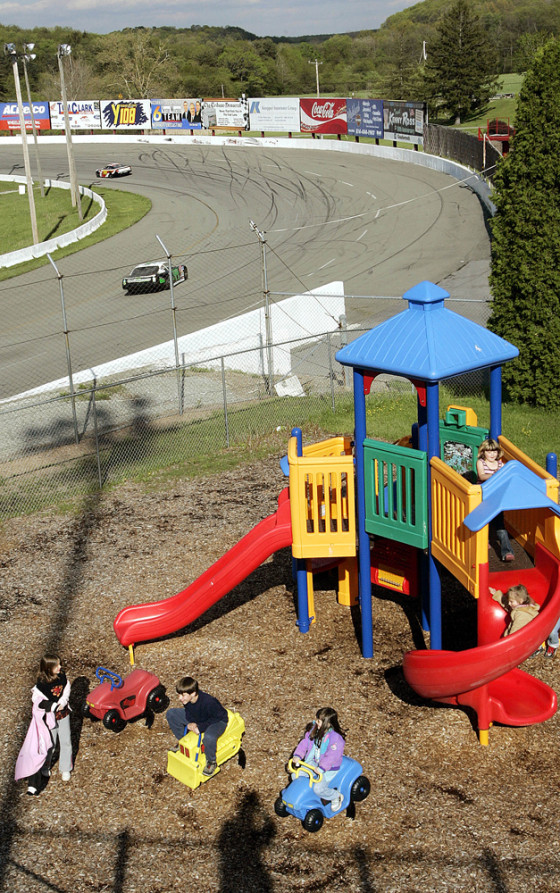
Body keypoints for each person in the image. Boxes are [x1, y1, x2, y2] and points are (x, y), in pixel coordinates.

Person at [15, 654, 72, 795]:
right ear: (48, 669)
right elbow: (37, 699)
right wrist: (52, 706)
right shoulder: (41, 685)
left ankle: (65, 768)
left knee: (65, 741)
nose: (60, 667)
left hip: (63, 714)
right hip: (49, 717)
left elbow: (66, 691)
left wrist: (62, 703)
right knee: (50, 742)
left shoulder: (63, 678)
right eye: (56, 665)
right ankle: (46, 765)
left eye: (60, 664)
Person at [166, 676, 228, 776]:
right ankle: (184, 742)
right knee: (171, 714)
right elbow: (188, 712)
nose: (180, 698)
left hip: (217, 721)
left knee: (209, 737)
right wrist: (191, 722)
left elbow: (218, 717)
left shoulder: (209, 702)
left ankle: (211, 762)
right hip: (200, 717)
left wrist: (200, 727)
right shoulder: (187, 700)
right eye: (179, 695)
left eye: (183, 695)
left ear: (193, 693)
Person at [290, 707, 346, 812]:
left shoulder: (335, 739)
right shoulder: (315, 730)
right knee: (295, 775)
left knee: (319, 789)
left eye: (319, 721)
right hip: (314, 762)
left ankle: (335, 796)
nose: (316, 722)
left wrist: (322, 768)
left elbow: (331, 756)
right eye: (317, 719)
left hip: (328, 768)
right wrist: (298, 755)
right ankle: (305, 795)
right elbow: (304, 743)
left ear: (327, 723)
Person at [476, 438, 515, 562]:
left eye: (494, 452)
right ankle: (483, 541)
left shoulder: (500, 463)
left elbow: (506, 476)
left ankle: (507, 551)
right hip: (483, 497)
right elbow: (482, 475)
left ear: (498, 453)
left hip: (496, 498)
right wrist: (494, 474)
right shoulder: (481, 462)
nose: (492, 454)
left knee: (500, 526)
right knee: (483, 521)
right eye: (489, 451)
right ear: (483, 452)